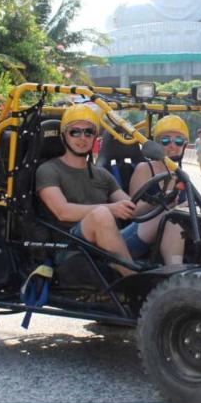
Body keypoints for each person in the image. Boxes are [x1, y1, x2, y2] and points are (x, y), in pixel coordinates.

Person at [35, 104, 145, 277]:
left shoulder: (102, 174)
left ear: (95, 136)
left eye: (88, 132)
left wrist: (165, 201)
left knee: (168, 217)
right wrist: (111, 209)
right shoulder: (48, 170)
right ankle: (135, 282)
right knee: (101, 214)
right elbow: (63, 212)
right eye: (75, 132)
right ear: (64, 135)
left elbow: (131, 207)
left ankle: (177, 273)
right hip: (71, 248)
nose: (82, 138)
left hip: (109, 242)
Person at [127, 115, 190, 265]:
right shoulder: (144, 169)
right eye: (166, 140)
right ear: (157, 145)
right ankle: (176, 271)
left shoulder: (182, 175)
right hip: (138, 233)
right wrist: (159, 202)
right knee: (172, 216)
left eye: (179, 141)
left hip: (171, 234)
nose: (172, 145)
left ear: (184, 145)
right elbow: (132, 211)